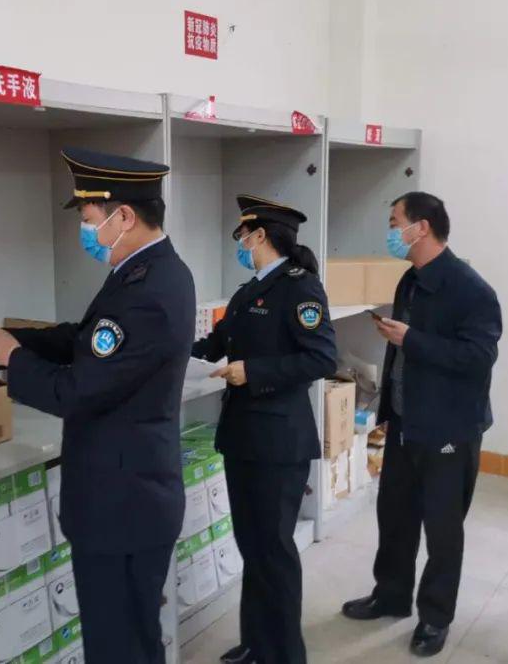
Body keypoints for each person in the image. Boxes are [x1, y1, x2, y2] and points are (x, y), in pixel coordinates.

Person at [0, 147, 195, 664]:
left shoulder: (148, 291)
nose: (85, 231)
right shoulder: (145, 272)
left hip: (123, 506)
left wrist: (10, 356)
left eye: (88, 218)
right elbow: (83, 340)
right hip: (129, 495)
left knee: (118, 645)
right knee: (130, 638)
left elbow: (76, 390)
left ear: (124, 217)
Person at [342, 192, 502, 658]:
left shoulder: (471, 290)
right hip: (404, 422)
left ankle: (435, 617)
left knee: (442, 529)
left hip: (449, 428)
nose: (390, 231)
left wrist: (413, 339)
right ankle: (390, 595)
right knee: (394, 516)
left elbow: (478, 358)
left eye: (395, 222)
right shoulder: (410, 280)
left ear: (422, 227)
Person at [192, 194, 337, 664]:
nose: (238, 242)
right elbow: (214, 344)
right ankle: (257, 643)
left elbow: (321, 358)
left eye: (242, 234)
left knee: (273, 552)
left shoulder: (301, 289)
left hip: (278, 442)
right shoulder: (247, 291)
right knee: (252, 547)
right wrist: (171, 351)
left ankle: (286, 654)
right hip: (243, 438)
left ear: (260, 236)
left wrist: (252, 371)